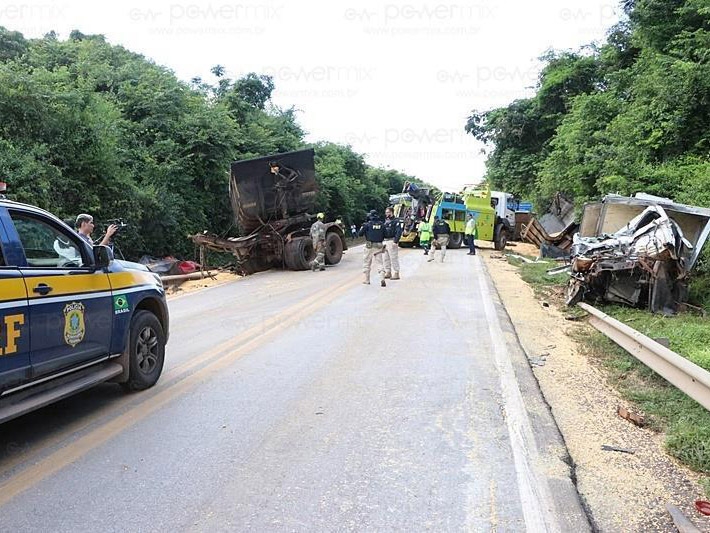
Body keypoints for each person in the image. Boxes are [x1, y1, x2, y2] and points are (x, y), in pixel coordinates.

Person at [359, 209, 386, 287]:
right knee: (380, 263)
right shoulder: (382, 224)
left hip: (369, 246)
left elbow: (360, 234)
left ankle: (367, 280)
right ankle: (382, 278)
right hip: (379, 246)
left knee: (367, 263)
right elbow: (386, 234)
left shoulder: (367, 224)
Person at [382, 207, 402, 280]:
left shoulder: (396, 221)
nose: (386, 214)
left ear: (392, 212)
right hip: (385, 241)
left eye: (388, 212)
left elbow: (399, 232)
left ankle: (396, 273)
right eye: (386, 212)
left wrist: (395, 241)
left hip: (392, 240)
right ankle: (388, 272)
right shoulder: (386, 221)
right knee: (385, 258)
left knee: (393, 258)